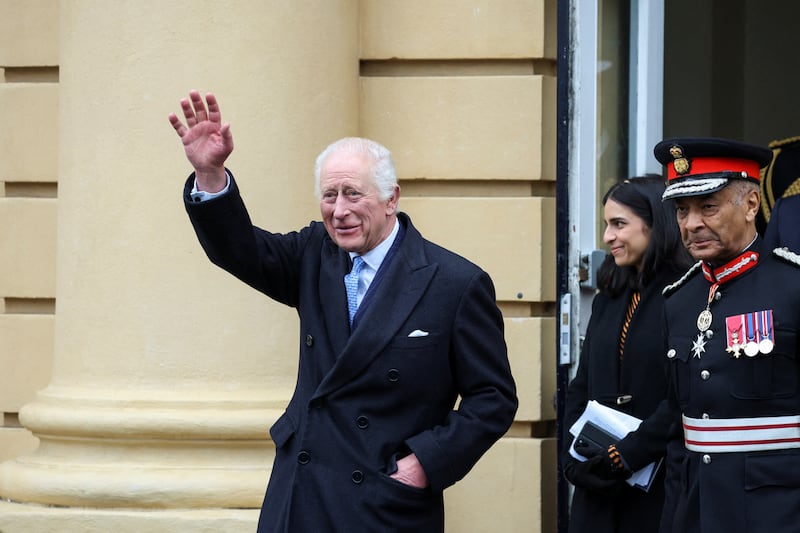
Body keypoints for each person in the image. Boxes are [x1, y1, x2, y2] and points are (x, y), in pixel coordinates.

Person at [168, 90, 518, 533]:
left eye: (353, 194)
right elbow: (240, 251)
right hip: (304, 490)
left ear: (392, 199)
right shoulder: (314, 253)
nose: (339, 211)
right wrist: (210, 173)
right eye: (329, 195)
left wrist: (423, 464)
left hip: (384, 500)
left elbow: (493, 399)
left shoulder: (454, 283)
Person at [654, 137, 800, 533]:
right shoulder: (678, 300)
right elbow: (677, 431)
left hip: (777, 512)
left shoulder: (792, 287)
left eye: (709, 207)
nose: (691, 224)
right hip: (696, 511)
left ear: (751, 205)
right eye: (682, 210)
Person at [562, 176, 694, 533]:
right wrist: (572, 454)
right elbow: (583, 384)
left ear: (656, 225)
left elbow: (681, 396)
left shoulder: (686, 295)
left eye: (619, 224)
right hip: (599, 490)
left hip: (658, 487)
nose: (608, 237)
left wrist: (626, 456)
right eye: (607, 225)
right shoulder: (610, 296)